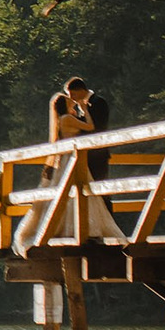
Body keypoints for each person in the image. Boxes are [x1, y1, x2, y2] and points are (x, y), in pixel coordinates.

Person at [43, 76, 120, 240]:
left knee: (101, 191)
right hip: (79, 157)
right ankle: (87, 227)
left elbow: (98, 129)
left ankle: (107, 227)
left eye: (71, 94)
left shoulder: (99, 102)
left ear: (80, 91)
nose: (70, 98)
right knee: (82, 192)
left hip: (96, 155)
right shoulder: (76, 109)